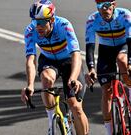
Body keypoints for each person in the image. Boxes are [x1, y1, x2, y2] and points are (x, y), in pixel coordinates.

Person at [20, 0, 89, 135]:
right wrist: (30, 85)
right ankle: (52, 121)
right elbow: (30, 60)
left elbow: (76, 54)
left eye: (41, 22)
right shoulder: (30, 31)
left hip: (69, 61)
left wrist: (73, 78)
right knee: (46, 78)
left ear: (51, 20)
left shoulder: (64, 25)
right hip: (49, 60)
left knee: (75, 106)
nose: (37, 26)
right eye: (34, 22)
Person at [84, 0, 131, 135]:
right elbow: (90, 47)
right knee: (106, 93)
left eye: (107, 6)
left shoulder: (125, 15)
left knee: (122, 60)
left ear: (114, 5)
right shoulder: (92, 20)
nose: (104, 10)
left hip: (124, 46)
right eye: (100, 6)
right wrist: (91, 68)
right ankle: (109, 131)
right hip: (105, 50)